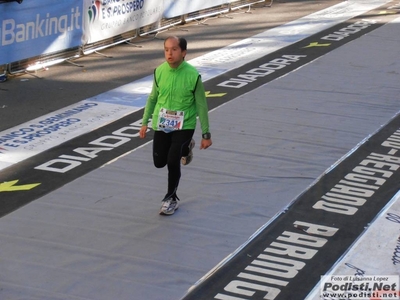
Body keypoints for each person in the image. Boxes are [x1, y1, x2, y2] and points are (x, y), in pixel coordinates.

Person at [139, 36, 212, 216]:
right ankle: (186, 148)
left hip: (184, 124)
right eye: (166, 49)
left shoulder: (193, 76)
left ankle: (170, 199)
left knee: (173, 161)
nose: (169, 53)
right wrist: (144, 122)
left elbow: (201, 104)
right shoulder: (159, 72)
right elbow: (152, 98)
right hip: (162, 124)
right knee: (159, 162)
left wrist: (206, 134)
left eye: (174, 50)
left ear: (184, 53)